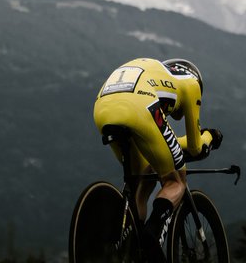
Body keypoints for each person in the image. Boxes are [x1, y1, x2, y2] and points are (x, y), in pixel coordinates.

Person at [92, 57, 223, 261]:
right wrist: (211, 136)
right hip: (141, 106)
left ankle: (130, 245)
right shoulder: (191, 82)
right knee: (175, 180)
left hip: (102, 109)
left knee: (140, 179)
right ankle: (152, 232)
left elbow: (163, 143)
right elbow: (196, 147)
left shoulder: (159, 72)